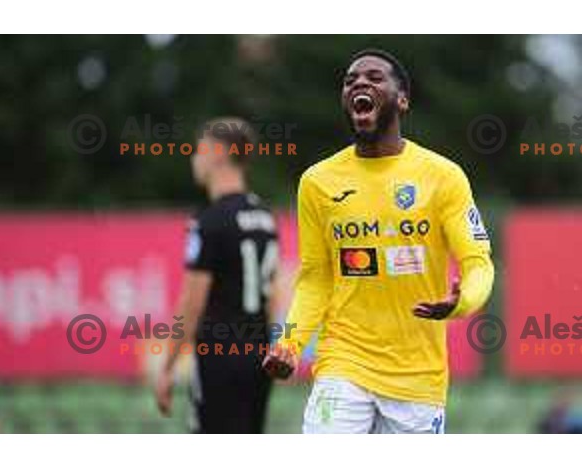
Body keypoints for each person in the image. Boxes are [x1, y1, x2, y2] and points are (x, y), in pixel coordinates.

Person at [263, 49, 494, 434]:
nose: (359, 84)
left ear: (401, 100)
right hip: (343, 361)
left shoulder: (443, 176)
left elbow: (478, 262)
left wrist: (462, 301)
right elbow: (316, 278)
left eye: (373, 77)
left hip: (417, 378)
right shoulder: (317, 183)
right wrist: (290, 342)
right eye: (350, 80)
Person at [156, 117, 280, 433]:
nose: (194, 159)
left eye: (198, 150)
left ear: (219, 152)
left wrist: (167, 367)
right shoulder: (265, 217)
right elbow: (272, 299)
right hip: (259, 356)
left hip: (219, 356)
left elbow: (191, 303)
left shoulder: (209, 221)